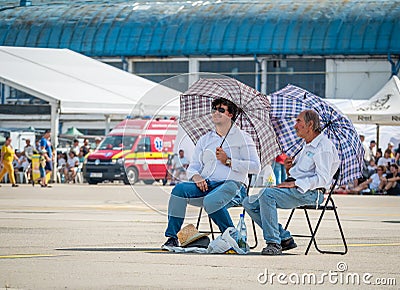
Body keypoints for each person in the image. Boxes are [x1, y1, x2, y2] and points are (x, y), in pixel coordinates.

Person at [162, 98, 261, 249]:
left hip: (233, 186)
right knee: (178, 191)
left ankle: (233, 237)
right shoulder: (205, 139)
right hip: (207, 185)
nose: (216, 112)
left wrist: (228, 161)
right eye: (214, 109)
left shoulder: (244, 138)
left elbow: (256, 167)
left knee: (211, 200)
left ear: (231, 115)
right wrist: (197, 177)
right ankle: (171, 238)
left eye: (221, 110)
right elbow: (193, 166)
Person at [243, 110, 340, 255]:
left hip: (313, 193)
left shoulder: (323, 147)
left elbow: (323, 179)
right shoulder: (306, 145)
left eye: (298, 121)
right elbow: (299, 173)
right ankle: (284, 238)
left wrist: (295, 183)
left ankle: (273, 242)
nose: (295, 126)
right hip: (298, 190)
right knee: (248, 202)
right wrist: (289, 169)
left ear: (310, 124)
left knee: (267, 194)